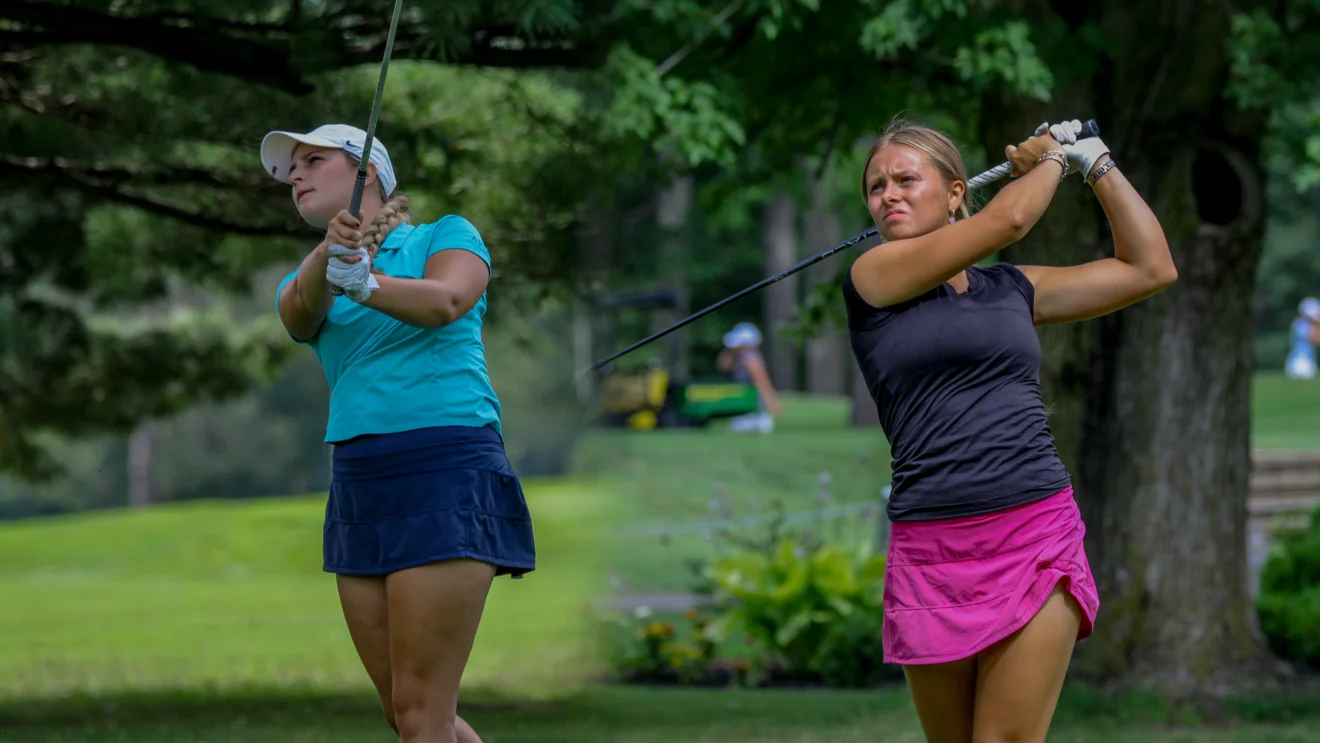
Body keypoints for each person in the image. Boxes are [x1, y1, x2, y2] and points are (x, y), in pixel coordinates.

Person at [842, 117, 1175, 743]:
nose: (888, 194)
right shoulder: (872, 280)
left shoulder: (1011, 289)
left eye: (907, 179)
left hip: (1033, 531)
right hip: (931, 550)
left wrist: (1094, 160)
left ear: (954, 193)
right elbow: (1009, 222)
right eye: (876, 186)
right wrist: (1053, 156)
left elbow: (1150, 268)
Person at [261, 123, 536, 743]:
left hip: (444, 464)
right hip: (361, 482)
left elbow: (445, 301)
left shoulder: (447, 235)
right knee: (405, 713)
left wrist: (366, 280)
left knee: (419, 714)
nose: (295, 176)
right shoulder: (303, 280)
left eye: (312, 160)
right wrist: (336, 258)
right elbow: (300, 313)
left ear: (366, 174)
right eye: (290, 170)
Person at [715, 322, 782, 433]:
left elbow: (762, 382)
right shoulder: (740, 357)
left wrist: (772, 403)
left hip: (754, 410)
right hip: (745, 406)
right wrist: (731, 350)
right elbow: (722, 365)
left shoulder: (750, 359)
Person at [1285, 297, 1320, 379]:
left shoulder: (1310, 325)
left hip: (1308, 360)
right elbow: (1314, 339)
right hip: (1299, 362)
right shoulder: (1300, 324)